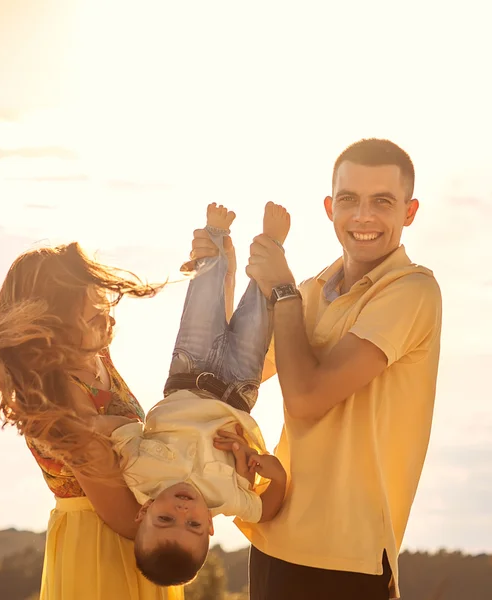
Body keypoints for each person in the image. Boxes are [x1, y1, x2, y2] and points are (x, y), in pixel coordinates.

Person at [190, 138, 443, 600]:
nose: (363, 216)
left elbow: (306, 400)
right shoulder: (308, 292)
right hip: (275, 536)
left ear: (409, 212)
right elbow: (229, 371)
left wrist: (281, 289)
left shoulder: (413, 291)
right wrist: (219, 272)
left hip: (347, 558)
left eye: (382, 201)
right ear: (330, 207)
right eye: (349, 200)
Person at [94, 202, 290, 587]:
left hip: (187, 371)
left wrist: (86, 423)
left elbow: (124, 428)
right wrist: (277, 477)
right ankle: (272, 244)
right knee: (258, 312)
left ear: (143, 513)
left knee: (202, 300)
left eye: (165, 518)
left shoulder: (137, 474)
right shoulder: (227, 500)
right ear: (210, 530)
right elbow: (265, 510)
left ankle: (214, 235)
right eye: (194, 524)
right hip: (239, 388)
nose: (183, 510)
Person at [0, 242, 184, 600]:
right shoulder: (61, 394)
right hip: (104, 546)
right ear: (51, 326)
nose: (109, 321)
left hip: (142, 528)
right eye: (94, 317)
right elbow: (121, 515)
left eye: (105, 308)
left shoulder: (94, 356)